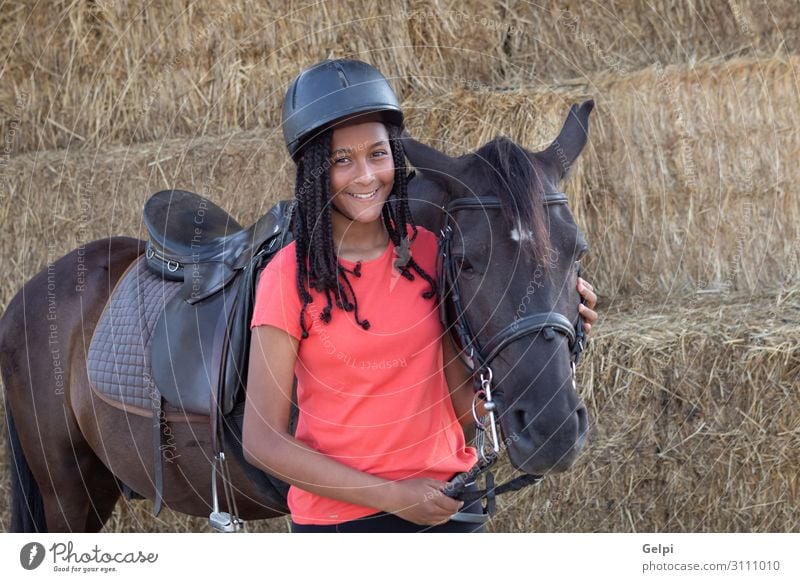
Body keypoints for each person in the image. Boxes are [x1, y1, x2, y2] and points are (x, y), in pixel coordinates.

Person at [242, 59, 598, 533]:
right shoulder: (288, 277)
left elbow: (456, 405)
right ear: (313, 172)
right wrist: (392, 496)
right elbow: (262, 440)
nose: (366, 176)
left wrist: (557, 316)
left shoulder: (434, 253)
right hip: (342, 528)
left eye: (378, 154)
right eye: (341, 160)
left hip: (451, 509)